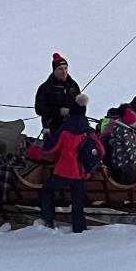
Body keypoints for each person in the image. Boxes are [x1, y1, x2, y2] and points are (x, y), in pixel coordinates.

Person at [38, 93, 104, 233]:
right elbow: (101, 150)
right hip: (81, 174)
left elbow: (51, 148)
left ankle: (48, 220)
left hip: (65, 171)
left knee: (46, 189)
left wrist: (47, 134)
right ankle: (79, 229)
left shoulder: (65, 130)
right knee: (77, 203)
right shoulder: (88, 131)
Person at [35, 53, 82, 135]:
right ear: (54, 70)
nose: (64, 72)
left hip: (73, 124)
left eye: (66, 68)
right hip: (53, 126)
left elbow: (79, 106)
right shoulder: (45, 88)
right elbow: (39, 109)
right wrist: (59, 111)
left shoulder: (73, 85)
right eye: (60, 69)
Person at [99, 105, 136, 185]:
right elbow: (130, 151)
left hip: (115, 162)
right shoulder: (126, 132)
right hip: (126, 165)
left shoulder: (112, 126)